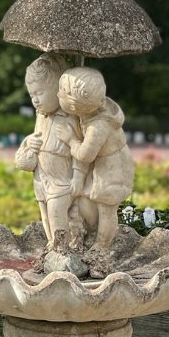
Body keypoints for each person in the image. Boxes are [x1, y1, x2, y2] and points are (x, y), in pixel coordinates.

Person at [57, 66, 135, 253]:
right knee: (93, 202)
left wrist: (71, 140)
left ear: (74, 106)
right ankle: (91, 236)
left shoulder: (97, 126)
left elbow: (85, 154)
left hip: (113, 169)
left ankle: (102, 246)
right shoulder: (97, 110)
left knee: (107, 209)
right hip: (105, 165)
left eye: (61, 92)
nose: (57, 93)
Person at [13, 53, 77, 249]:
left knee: (58, 212)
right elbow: (34, 143)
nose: (35, 100)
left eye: (39, 93)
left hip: (62, 176)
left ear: (58, 89)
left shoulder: (73, 115)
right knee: (45, 212)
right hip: (41, 176)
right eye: (32, 95)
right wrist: (27, 143)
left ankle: (64, 249)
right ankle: (52, 246)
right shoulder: (41, 115)